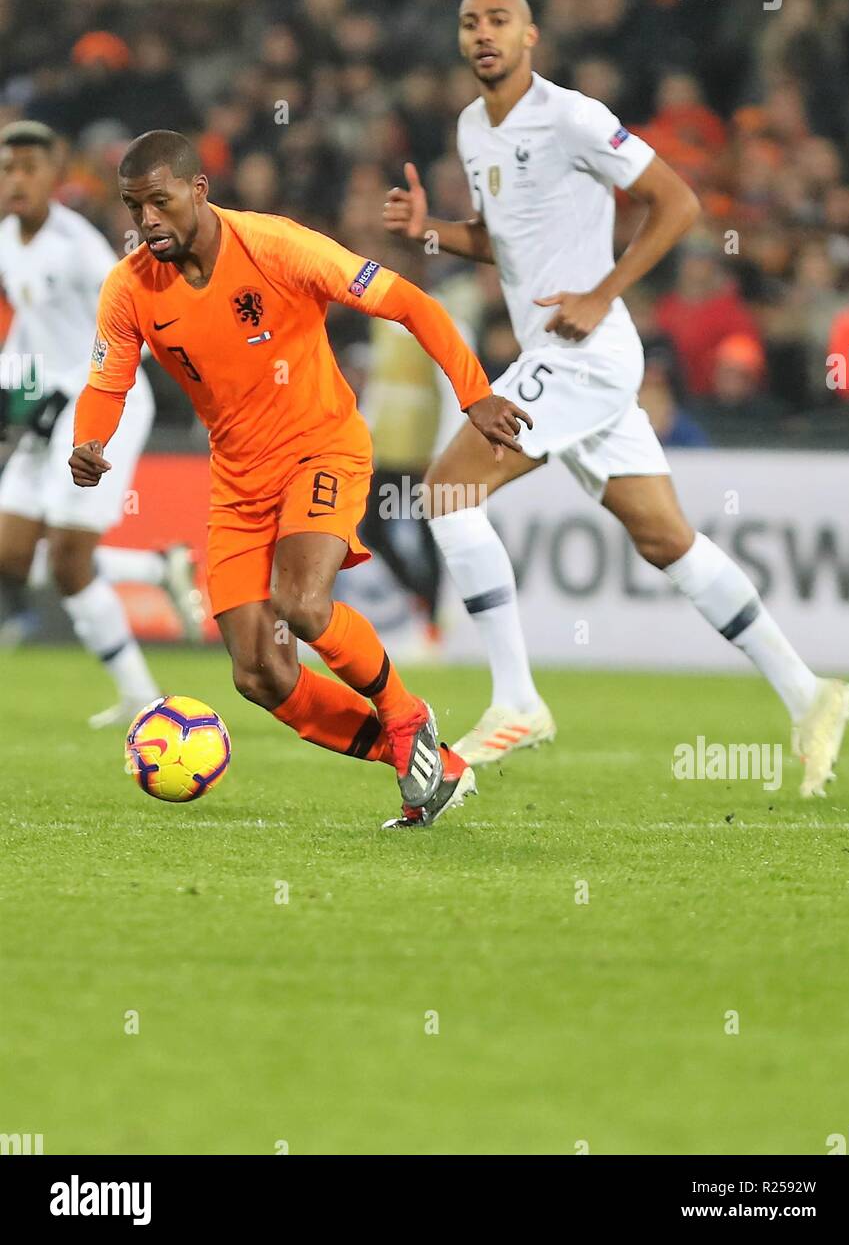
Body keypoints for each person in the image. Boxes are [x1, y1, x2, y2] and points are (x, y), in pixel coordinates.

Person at [383, 0, 849, 799]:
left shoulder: (572, 115)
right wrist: (431, 231)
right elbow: (505, 245)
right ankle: (809, 694)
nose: (483, 34)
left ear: (531, 34)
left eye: (499, 20)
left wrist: (603, 291)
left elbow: (678, 202)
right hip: (560, 350)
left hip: (587, 348)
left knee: (449, 489)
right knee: (665, 539)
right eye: (469, 23)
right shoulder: (470, 129)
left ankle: (516, 699)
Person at [69, 129, 530, 827]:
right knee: (260, 673)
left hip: (321, 450)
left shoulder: (277, 246)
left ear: (199, 189)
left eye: (159, 203)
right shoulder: (129, 286)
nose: (147, 222)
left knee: (303, 605)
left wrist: (475, 393)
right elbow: (107, 382)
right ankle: (430, 764)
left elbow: (409, 303)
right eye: (135, 207)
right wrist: (88, 441)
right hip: (238, 482)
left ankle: (407, 716)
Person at [0, 120, 201, 726]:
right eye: (8, 169)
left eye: (29, 169)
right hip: (47, 408)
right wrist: (17, 393)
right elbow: (32, 330)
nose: (16, 180)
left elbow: (134, 329)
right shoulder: (9, 239)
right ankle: (155, 567)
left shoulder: (81, 248)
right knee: (10, 554)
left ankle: (141, 695)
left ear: (56, 176)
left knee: (67, 561)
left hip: (105, 404)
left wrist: (77, 391)